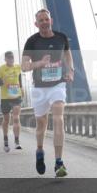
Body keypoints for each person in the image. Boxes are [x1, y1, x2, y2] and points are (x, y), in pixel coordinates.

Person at [22, 9, 73, 178]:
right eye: (40, 20)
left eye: (46, 19)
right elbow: (24, 66)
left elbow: (67, 54)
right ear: (36, 24)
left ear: (51, 20)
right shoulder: (32, 41)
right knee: (41, 124)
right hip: (39, 88)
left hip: (57, 85)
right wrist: (39, 63)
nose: (44, 22)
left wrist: (70, 71)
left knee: (58, 119)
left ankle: (59, 162)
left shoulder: (61, 38)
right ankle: (39, 150)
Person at [0, 50, 23, 152]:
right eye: (9, 57)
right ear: (5, 59)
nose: (11, 59)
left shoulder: (17, 67)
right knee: (6, 120)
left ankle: (17, 141)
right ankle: (6, 140)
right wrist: (3, 82)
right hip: (5, 97)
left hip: (16, 96)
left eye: (12, 57)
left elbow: (20, 80)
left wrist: (22, 90)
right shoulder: (1, 69)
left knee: (16, 118)